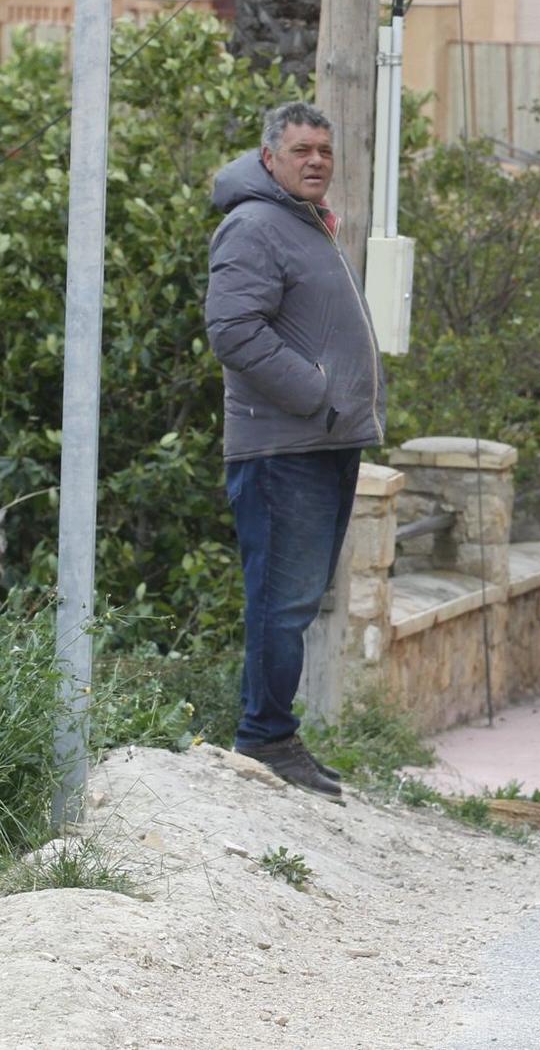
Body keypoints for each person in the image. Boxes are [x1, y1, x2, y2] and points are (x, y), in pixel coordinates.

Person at [205, 102, 384, 802]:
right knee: (281, 602)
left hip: (324, 441)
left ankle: (274, 731)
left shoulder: (302, 223)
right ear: (269, 156)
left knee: (296, 601)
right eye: (302, 149)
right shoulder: (253, 225)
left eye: (325, 151)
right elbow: (233, 330)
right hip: (284, 446)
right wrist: (316, 393)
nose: (316, 161)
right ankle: (265, 737)